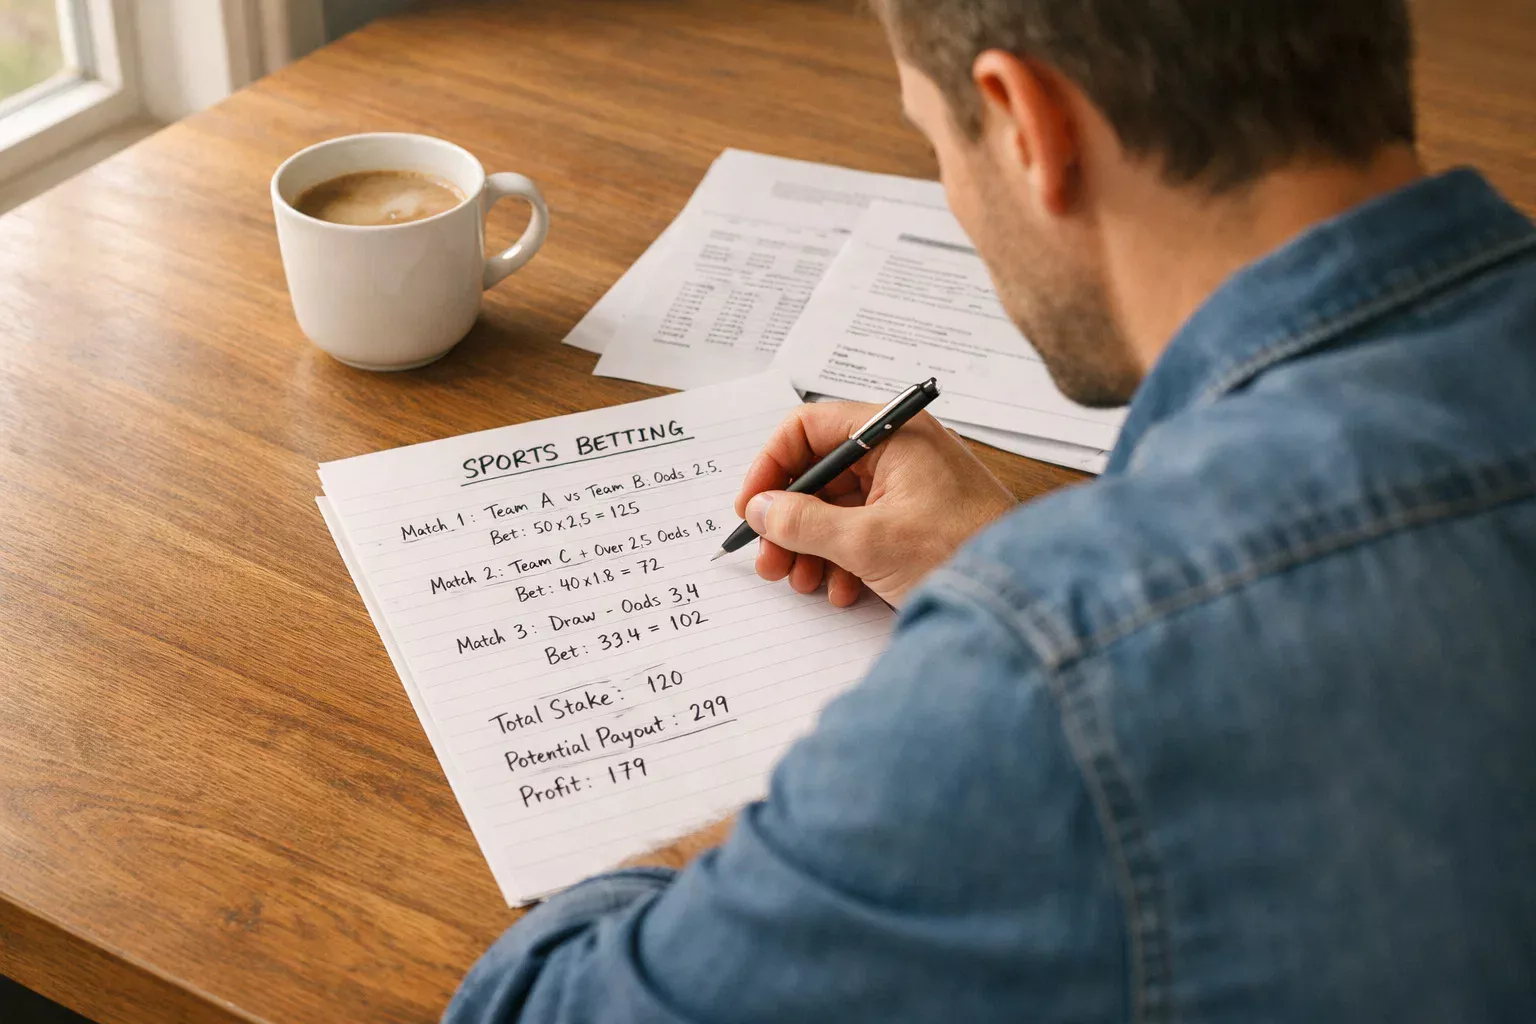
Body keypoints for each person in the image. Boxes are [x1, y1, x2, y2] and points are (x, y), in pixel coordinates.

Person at [446, 0, 1536, 1019]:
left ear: (1027, 123)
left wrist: (882, 776)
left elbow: (535, 1003)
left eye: (934, 140)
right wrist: (1023, 567)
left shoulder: (1048, 689)